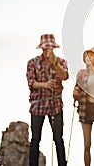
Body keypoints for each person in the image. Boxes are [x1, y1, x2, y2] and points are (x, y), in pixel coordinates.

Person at [26, 34, 69, 166]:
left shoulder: (60, 62)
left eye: (50, 48)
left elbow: (64, 76)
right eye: (46, 48)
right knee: (35, 139)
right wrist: (44, 85)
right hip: (37, 105)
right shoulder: (32, 63)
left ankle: (62, 164)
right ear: (42, 49)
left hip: (55, 104)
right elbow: (31, 82)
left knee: (58, 138)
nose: (48, 51)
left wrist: (54, 62)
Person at [73, 47, 94, 166]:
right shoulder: (81, 74)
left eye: (91, 56)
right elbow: (76, 90)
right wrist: (75, 94)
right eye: (87, 56)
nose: (88, 58)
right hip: (86, 108)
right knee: (87, 144)